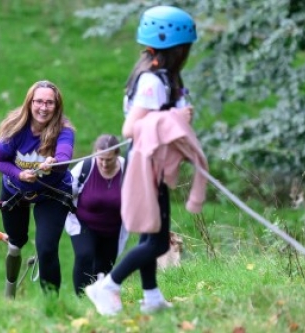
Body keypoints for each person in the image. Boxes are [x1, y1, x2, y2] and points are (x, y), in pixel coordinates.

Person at [85, 5, 208, 315]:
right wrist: (175, 117)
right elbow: (132, 128)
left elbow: (159, 118)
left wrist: (176, 116)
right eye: (186, 48)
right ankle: (107, 286)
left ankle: (151, 297)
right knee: (158, 242)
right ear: (177, 48)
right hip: (145, 165)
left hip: (152, 162)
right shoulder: (153, 81)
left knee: (150, 231)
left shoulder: (163, 76)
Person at [0, 80, 75, 298]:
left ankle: (51, 304)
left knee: (47, 249)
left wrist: (54, 162)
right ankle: (9, 295)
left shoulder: (64, 130)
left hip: (51, 193)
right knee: (16, 242)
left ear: (57, 107)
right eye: (39, 101)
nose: (43, 107)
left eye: (50, 103)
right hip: (15, 191)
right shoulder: (15, 129)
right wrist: (19, 174)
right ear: (30, 103)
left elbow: (65, 156)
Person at [65, 134, 128, 296]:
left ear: (117, 155)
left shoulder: (127, 169)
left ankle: (99, 301)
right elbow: (65, 193)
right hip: (84, 224)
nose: (105, 164)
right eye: (101, 159)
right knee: (84, 256)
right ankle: (81, 299)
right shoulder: (85, 168)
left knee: (103, 269)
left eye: (109, 159)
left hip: (113, 229)